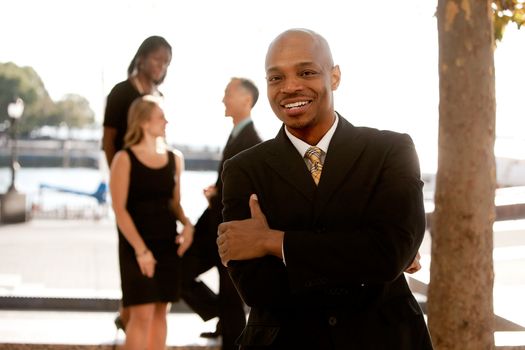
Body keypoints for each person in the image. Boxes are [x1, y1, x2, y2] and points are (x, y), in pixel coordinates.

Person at [217, 29, 433, 349]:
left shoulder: (391, 150)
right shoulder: (242, 169)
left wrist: (274, 242)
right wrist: (362, 256)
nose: (290, 87)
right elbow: (257, 288)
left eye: (306, 72)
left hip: (384, 339)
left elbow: (389, 253)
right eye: (276, 78)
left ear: (334, 77)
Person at [181, 77, 262, 350]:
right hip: (215, 226)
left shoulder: (253, 141)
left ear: (246, 100)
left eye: (228, 93)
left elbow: (250, 193)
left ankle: (227, 329)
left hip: (231, 230)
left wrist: (219, 196)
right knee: (182, 274)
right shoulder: (237, 135)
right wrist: (217, 191)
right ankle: (220, 317)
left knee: (230, 295)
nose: (223, 99)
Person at [110, 95, 194, 349]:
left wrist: (187, 225)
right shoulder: (124, 159)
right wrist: (141, 250)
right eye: (160, 117)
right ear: (144, 122)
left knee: (160, 312)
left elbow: (174, 204)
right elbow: (119, 209)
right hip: (136, 247)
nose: (166, 121)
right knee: (142, 313)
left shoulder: (174, 158)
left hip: (167, 243)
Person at [102, 35, 172, 330]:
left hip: (154, 187)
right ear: (141, 57)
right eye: (157, 59)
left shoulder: (159, 95)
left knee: (155, 254)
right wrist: (119, 176)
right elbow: (108, 141)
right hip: (128, 182)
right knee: (131, 250)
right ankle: (129, 313)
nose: (161, 66)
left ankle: (129, 313)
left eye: (167, 62)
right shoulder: (121, 92)